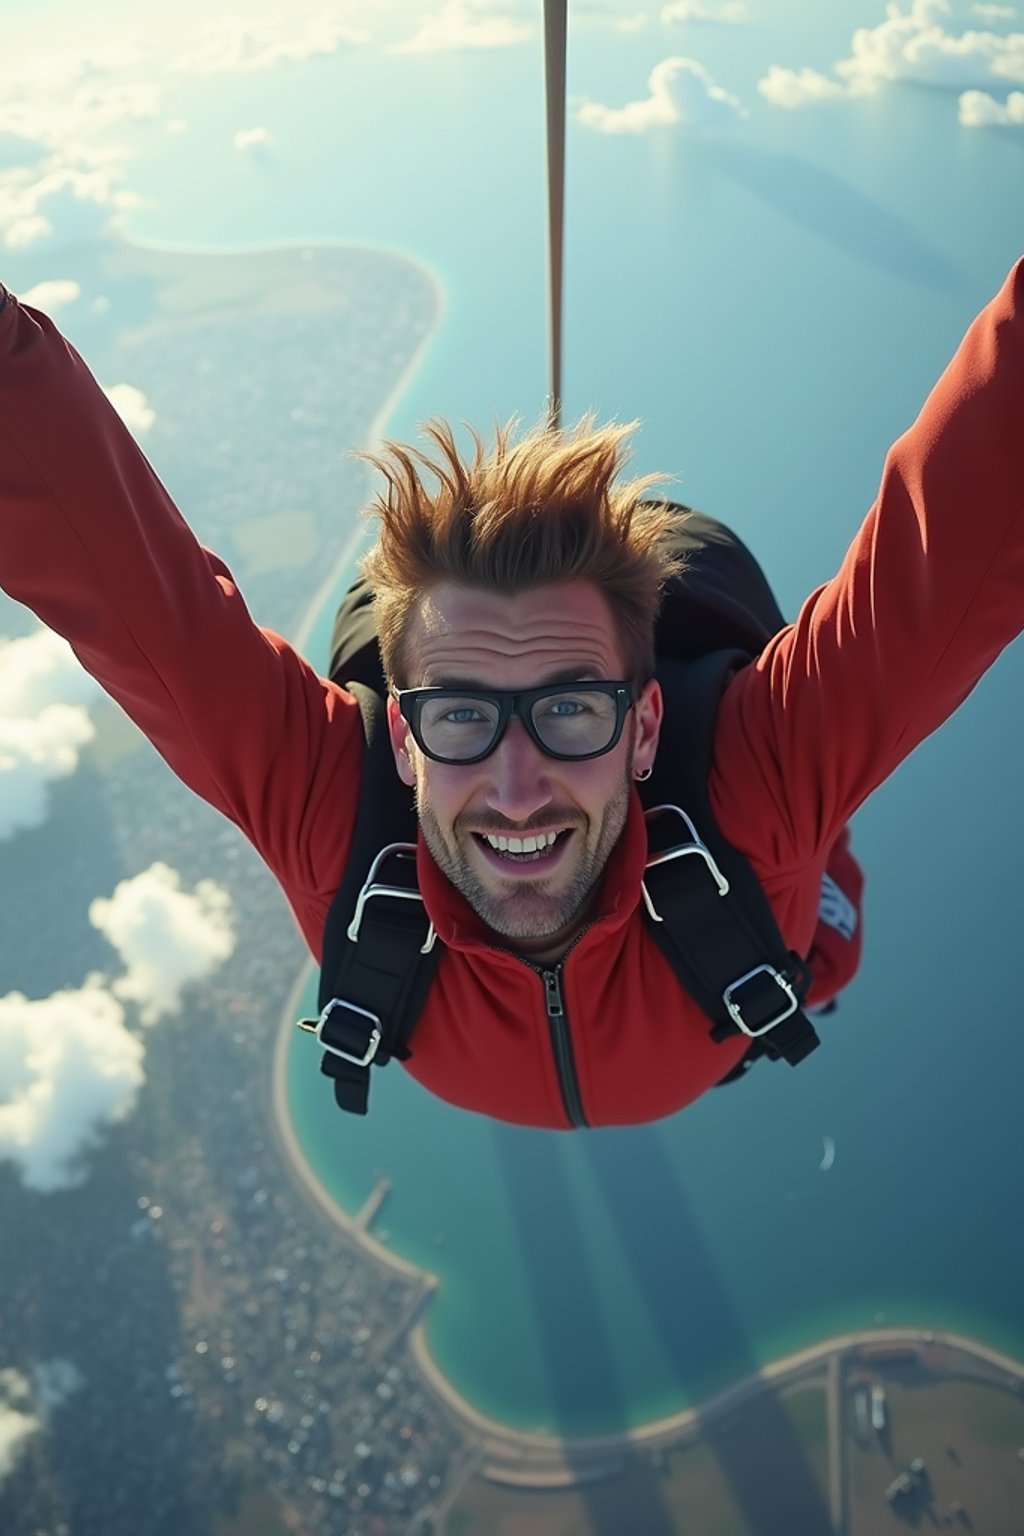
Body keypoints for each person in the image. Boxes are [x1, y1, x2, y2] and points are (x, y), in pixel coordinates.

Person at [0, 260, 1021, 1129]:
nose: (518, 785)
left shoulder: (750, 784)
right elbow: (116, 575)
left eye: (571, 707)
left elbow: (964, 532)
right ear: (399, 737)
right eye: (461, 715)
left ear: (645, 726)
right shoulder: (333, 810)